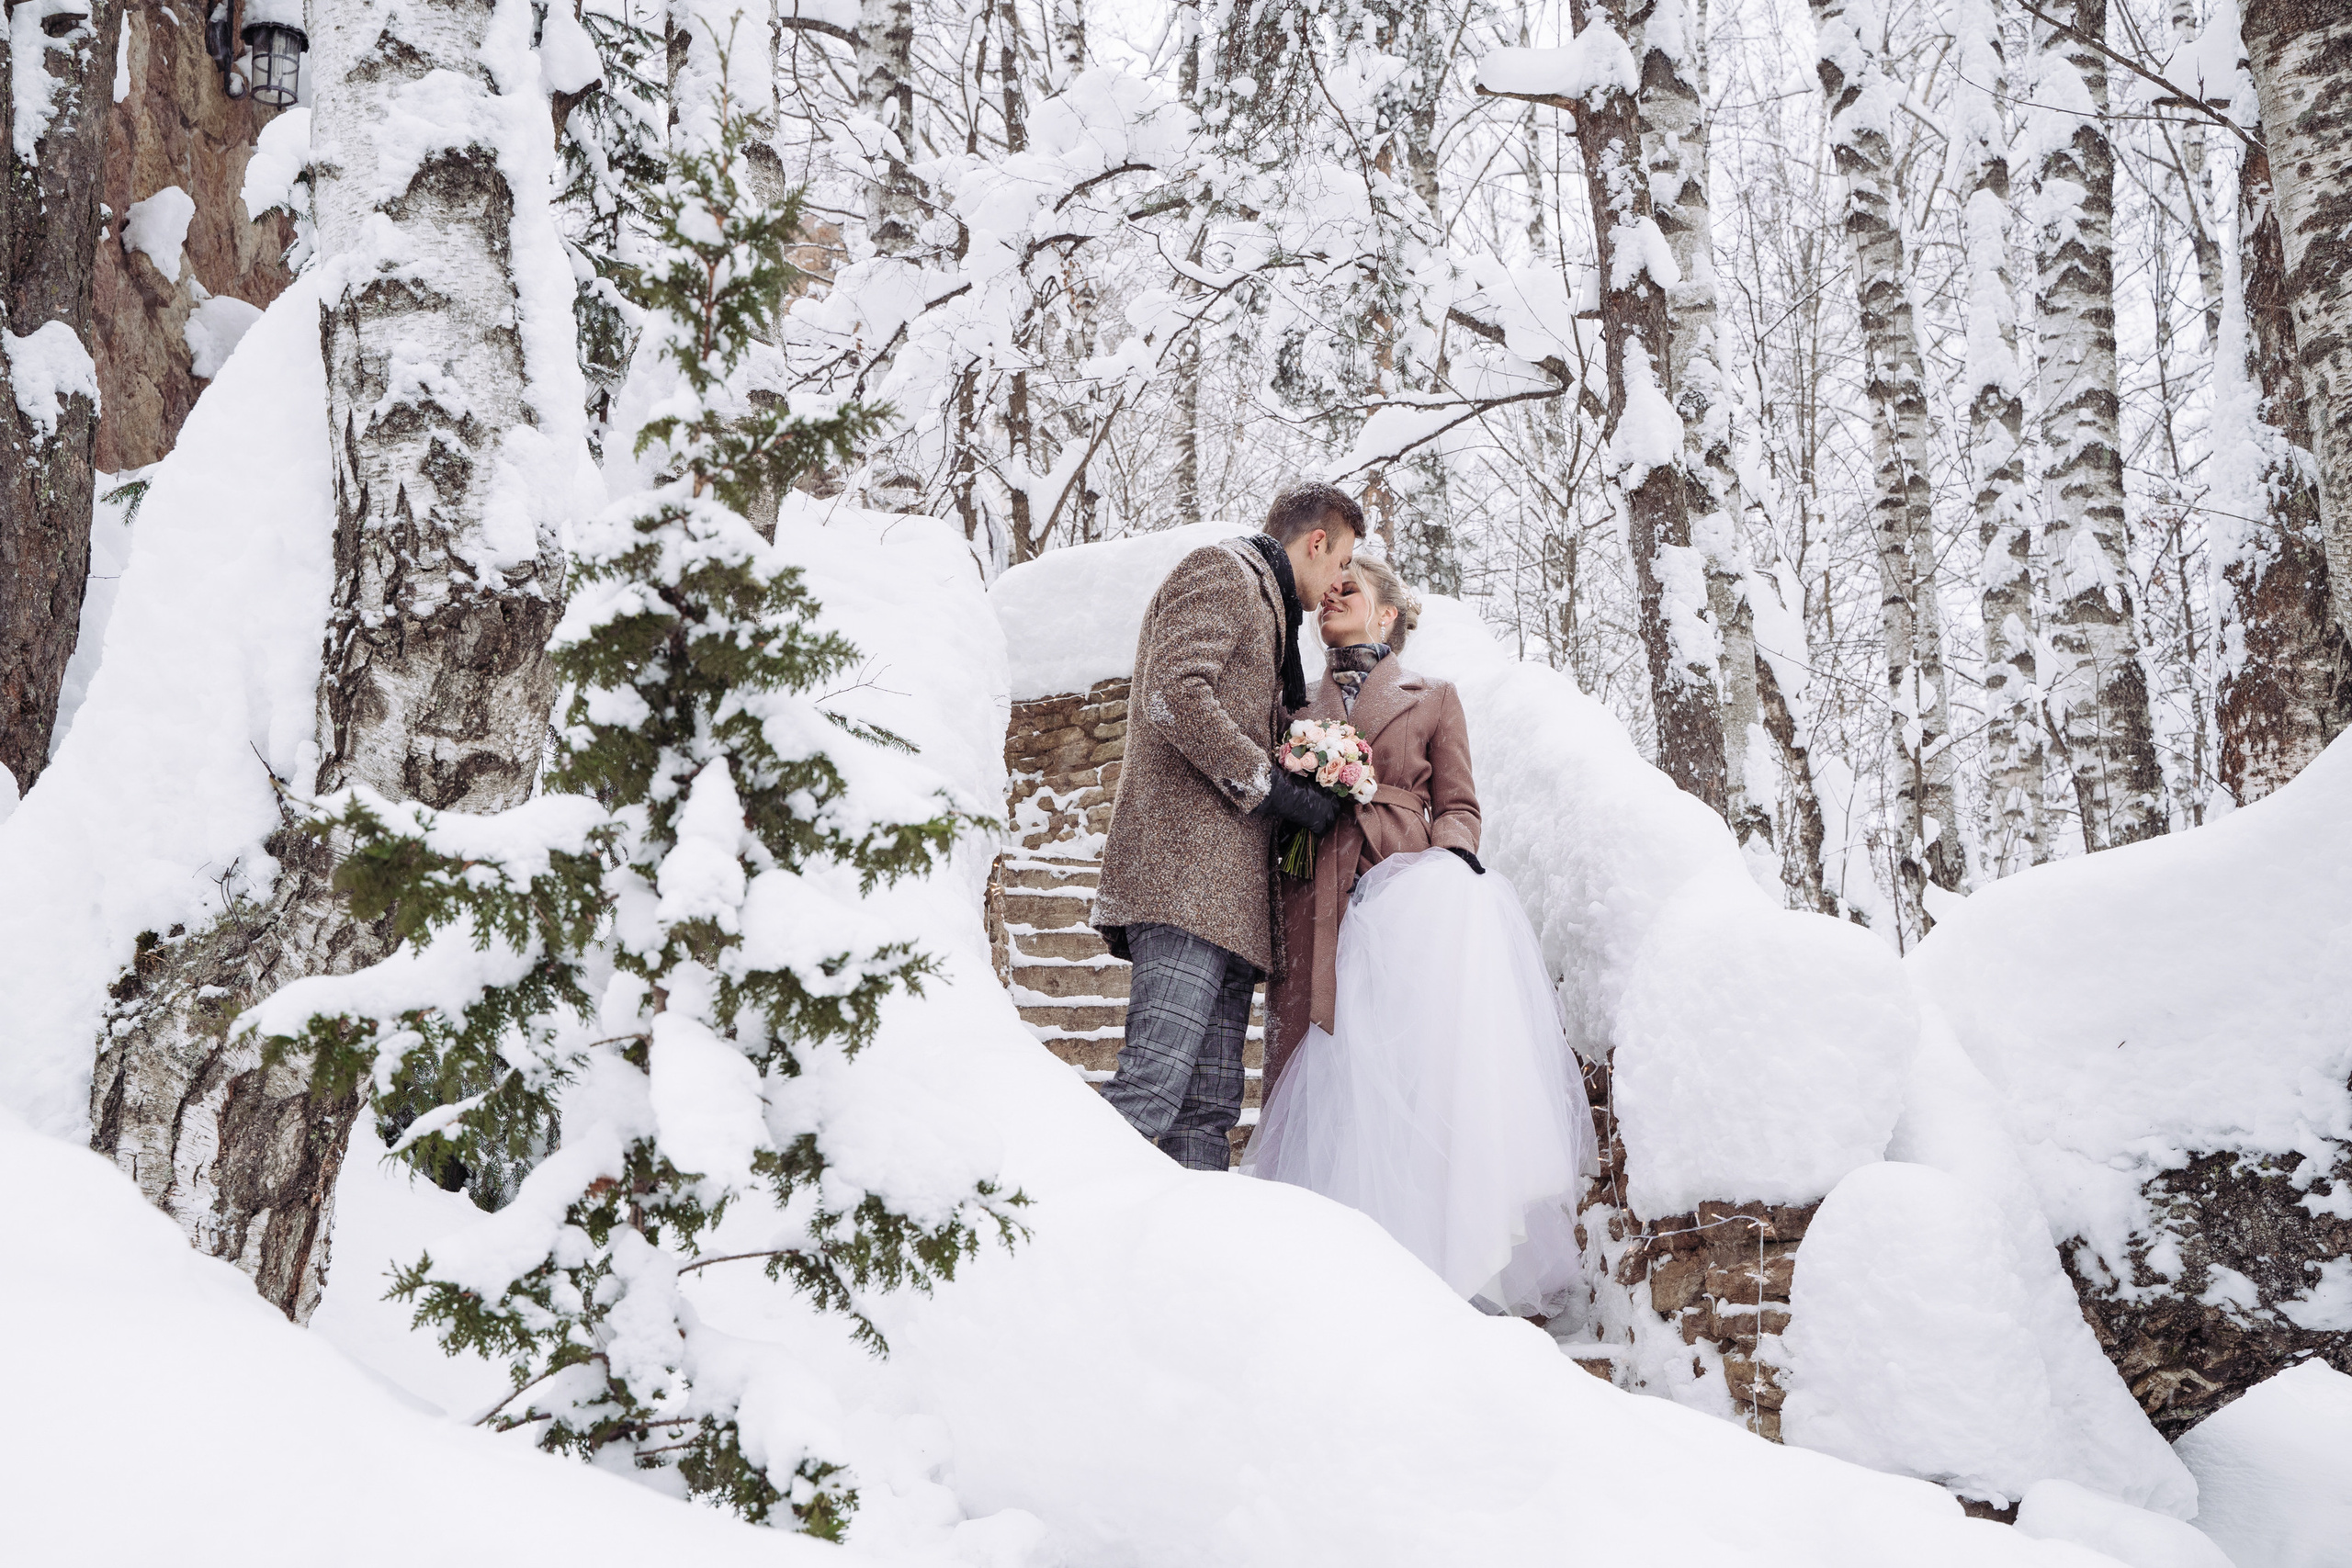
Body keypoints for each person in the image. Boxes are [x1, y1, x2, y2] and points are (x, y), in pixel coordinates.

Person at [1246, 555, 1598, 1314]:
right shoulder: (1293, 702)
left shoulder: (1434, 696)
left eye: (1350, 590)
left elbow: (1460, 803)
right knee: (1322, 1066)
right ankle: (1322, 1270)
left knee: (1412, 1070)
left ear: (1386, 616)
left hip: (1409, 905)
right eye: (1325, 592)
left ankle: (1431, 1260)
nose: (1330, 598)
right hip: (1315, 895)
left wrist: (1438, 881)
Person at [1091, 485, 1363, 1170]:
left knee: (1205, 1122)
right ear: (1317, 542)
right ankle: (1039, 1245)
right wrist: (1273, 788)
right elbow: (1174, 692)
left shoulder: (1273, 620)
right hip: (1186, 889)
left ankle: (1185, 1273)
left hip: (1233, 908)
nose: (1339, 583)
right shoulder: (1224, 572)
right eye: (1342, 562)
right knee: (1149, 1092)